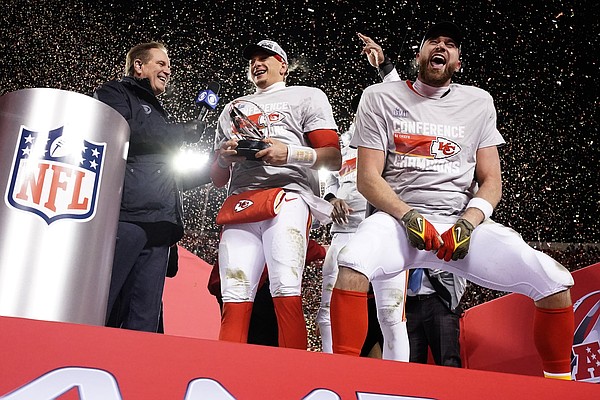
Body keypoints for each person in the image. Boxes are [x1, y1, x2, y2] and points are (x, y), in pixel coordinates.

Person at [331, 22, 575, 381]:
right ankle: (340, 382)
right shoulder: (379, 96)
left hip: (459, 220)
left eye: (450, 44)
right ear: (419, 54)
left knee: (554, 282)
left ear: (458, 62)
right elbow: (368, 178)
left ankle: (560, 386)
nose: (441, 47)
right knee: (351, 264)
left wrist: (469, 221)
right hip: (398, 220)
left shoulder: (478, 101)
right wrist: (408, 216)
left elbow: (491, 180)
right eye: (433, 41)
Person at [210, 39, 341, 349]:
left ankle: (294, 377)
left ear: (283, 64)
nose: (258, 63)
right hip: (241, 202)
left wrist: (290, 153)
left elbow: (332, 157)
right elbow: (216, 178)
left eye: (265, 57)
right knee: (235, 295)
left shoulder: (307, 96)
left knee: (285, 287)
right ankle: (226, 375)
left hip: (289, 195)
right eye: (253, 58)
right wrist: (222, 158)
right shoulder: (232, 109)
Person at [360, 31, 468, 367]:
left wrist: (474, 214)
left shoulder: (460, 118)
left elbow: (413, 109)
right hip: (399, 277)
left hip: (439, 288)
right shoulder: (368, 151)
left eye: (449, 46)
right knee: (407, 359)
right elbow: (401, 104)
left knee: (448, 362)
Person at [94, 42, 210, 332]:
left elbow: (169, 178)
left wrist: (217, 167)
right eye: (160, 63)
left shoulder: (159, 115)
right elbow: (125, 129)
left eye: (168, 64)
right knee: (103, 303)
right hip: (126, 217)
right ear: (139, 66)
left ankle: (133, 372)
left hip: (160, 225)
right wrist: (181, 132)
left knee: (145, 316)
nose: (167, 69)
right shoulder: (114, 93)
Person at [317, 91, 409, 361]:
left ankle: (396, 386)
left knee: (391, 314)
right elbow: (329, 182)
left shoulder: (395, 135)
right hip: (345, 231)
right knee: (327, 310)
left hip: (385, 231)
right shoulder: (343, 143)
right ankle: (331, 375)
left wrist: (386, 66)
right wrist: (332, 198)